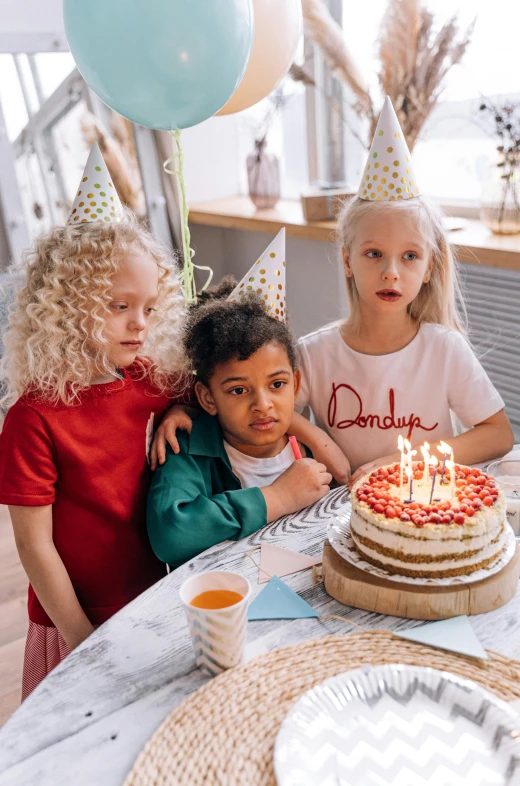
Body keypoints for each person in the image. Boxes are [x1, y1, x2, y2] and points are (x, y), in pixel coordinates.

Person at [0, 144, 188, 699]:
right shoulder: (33, 417)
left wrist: (178, 408)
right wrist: (82, 636)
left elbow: (202, 400)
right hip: (75, 618)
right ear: (66, 304)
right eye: (117, 305)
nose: (139, 323)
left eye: (149, 307)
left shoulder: (152, 379)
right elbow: (35, 548)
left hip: (155, 593)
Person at [295, 97, 514, 487]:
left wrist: (407, 460)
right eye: (373, 254)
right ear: (347, 261)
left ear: (429, 267)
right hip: (344, 514)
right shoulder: (314, 355)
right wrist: (318, 439)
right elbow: (270, 415)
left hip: (426, 509)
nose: (390, 273)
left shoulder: (443, 350)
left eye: (410, 256)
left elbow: (498, 434)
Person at [147, 278, 335, 569]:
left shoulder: (312, 447)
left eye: (277, 384)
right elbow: (171, 536)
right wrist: (278, 497)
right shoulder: (187, 446)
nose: (262, 404)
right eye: (238, 390)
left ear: (295, 384)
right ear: (208, 398)